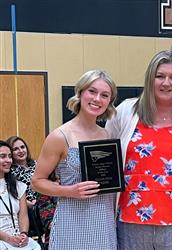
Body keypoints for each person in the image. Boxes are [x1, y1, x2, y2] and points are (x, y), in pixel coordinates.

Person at [105, 50, 172, 250]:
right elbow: (106, 156)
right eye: (160, 76)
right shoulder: (126, 111)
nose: (166, 83)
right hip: (132, 220)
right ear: (150, 79)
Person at [31, 69, 118, 250]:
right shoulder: (59, 136)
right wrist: (69, 190)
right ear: (80, 92)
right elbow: (37, 182)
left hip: (104, 221)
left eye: (104, 95)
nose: (97, 99)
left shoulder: (107, 135)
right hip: (72, 220)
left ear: (109, 101)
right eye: (92, 91)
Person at [0, 140, 40, 250]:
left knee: (35, 247)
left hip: (17, 238)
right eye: (3, 156)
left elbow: (23, 216)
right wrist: (8, 238)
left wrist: (24, 234)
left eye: (9, 156)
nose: (8, 160)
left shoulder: (19, 186)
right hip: (3, 239)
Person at [6, 136, 37, 209]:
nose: (21, 151)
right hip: (23, 209)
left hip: (44, 206)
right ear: (10, 153)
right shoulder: (9, 172)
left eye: (22, 147)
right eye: (15, 149)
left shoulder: (38, 165)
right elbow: (9, 194)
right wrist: (25, 203)